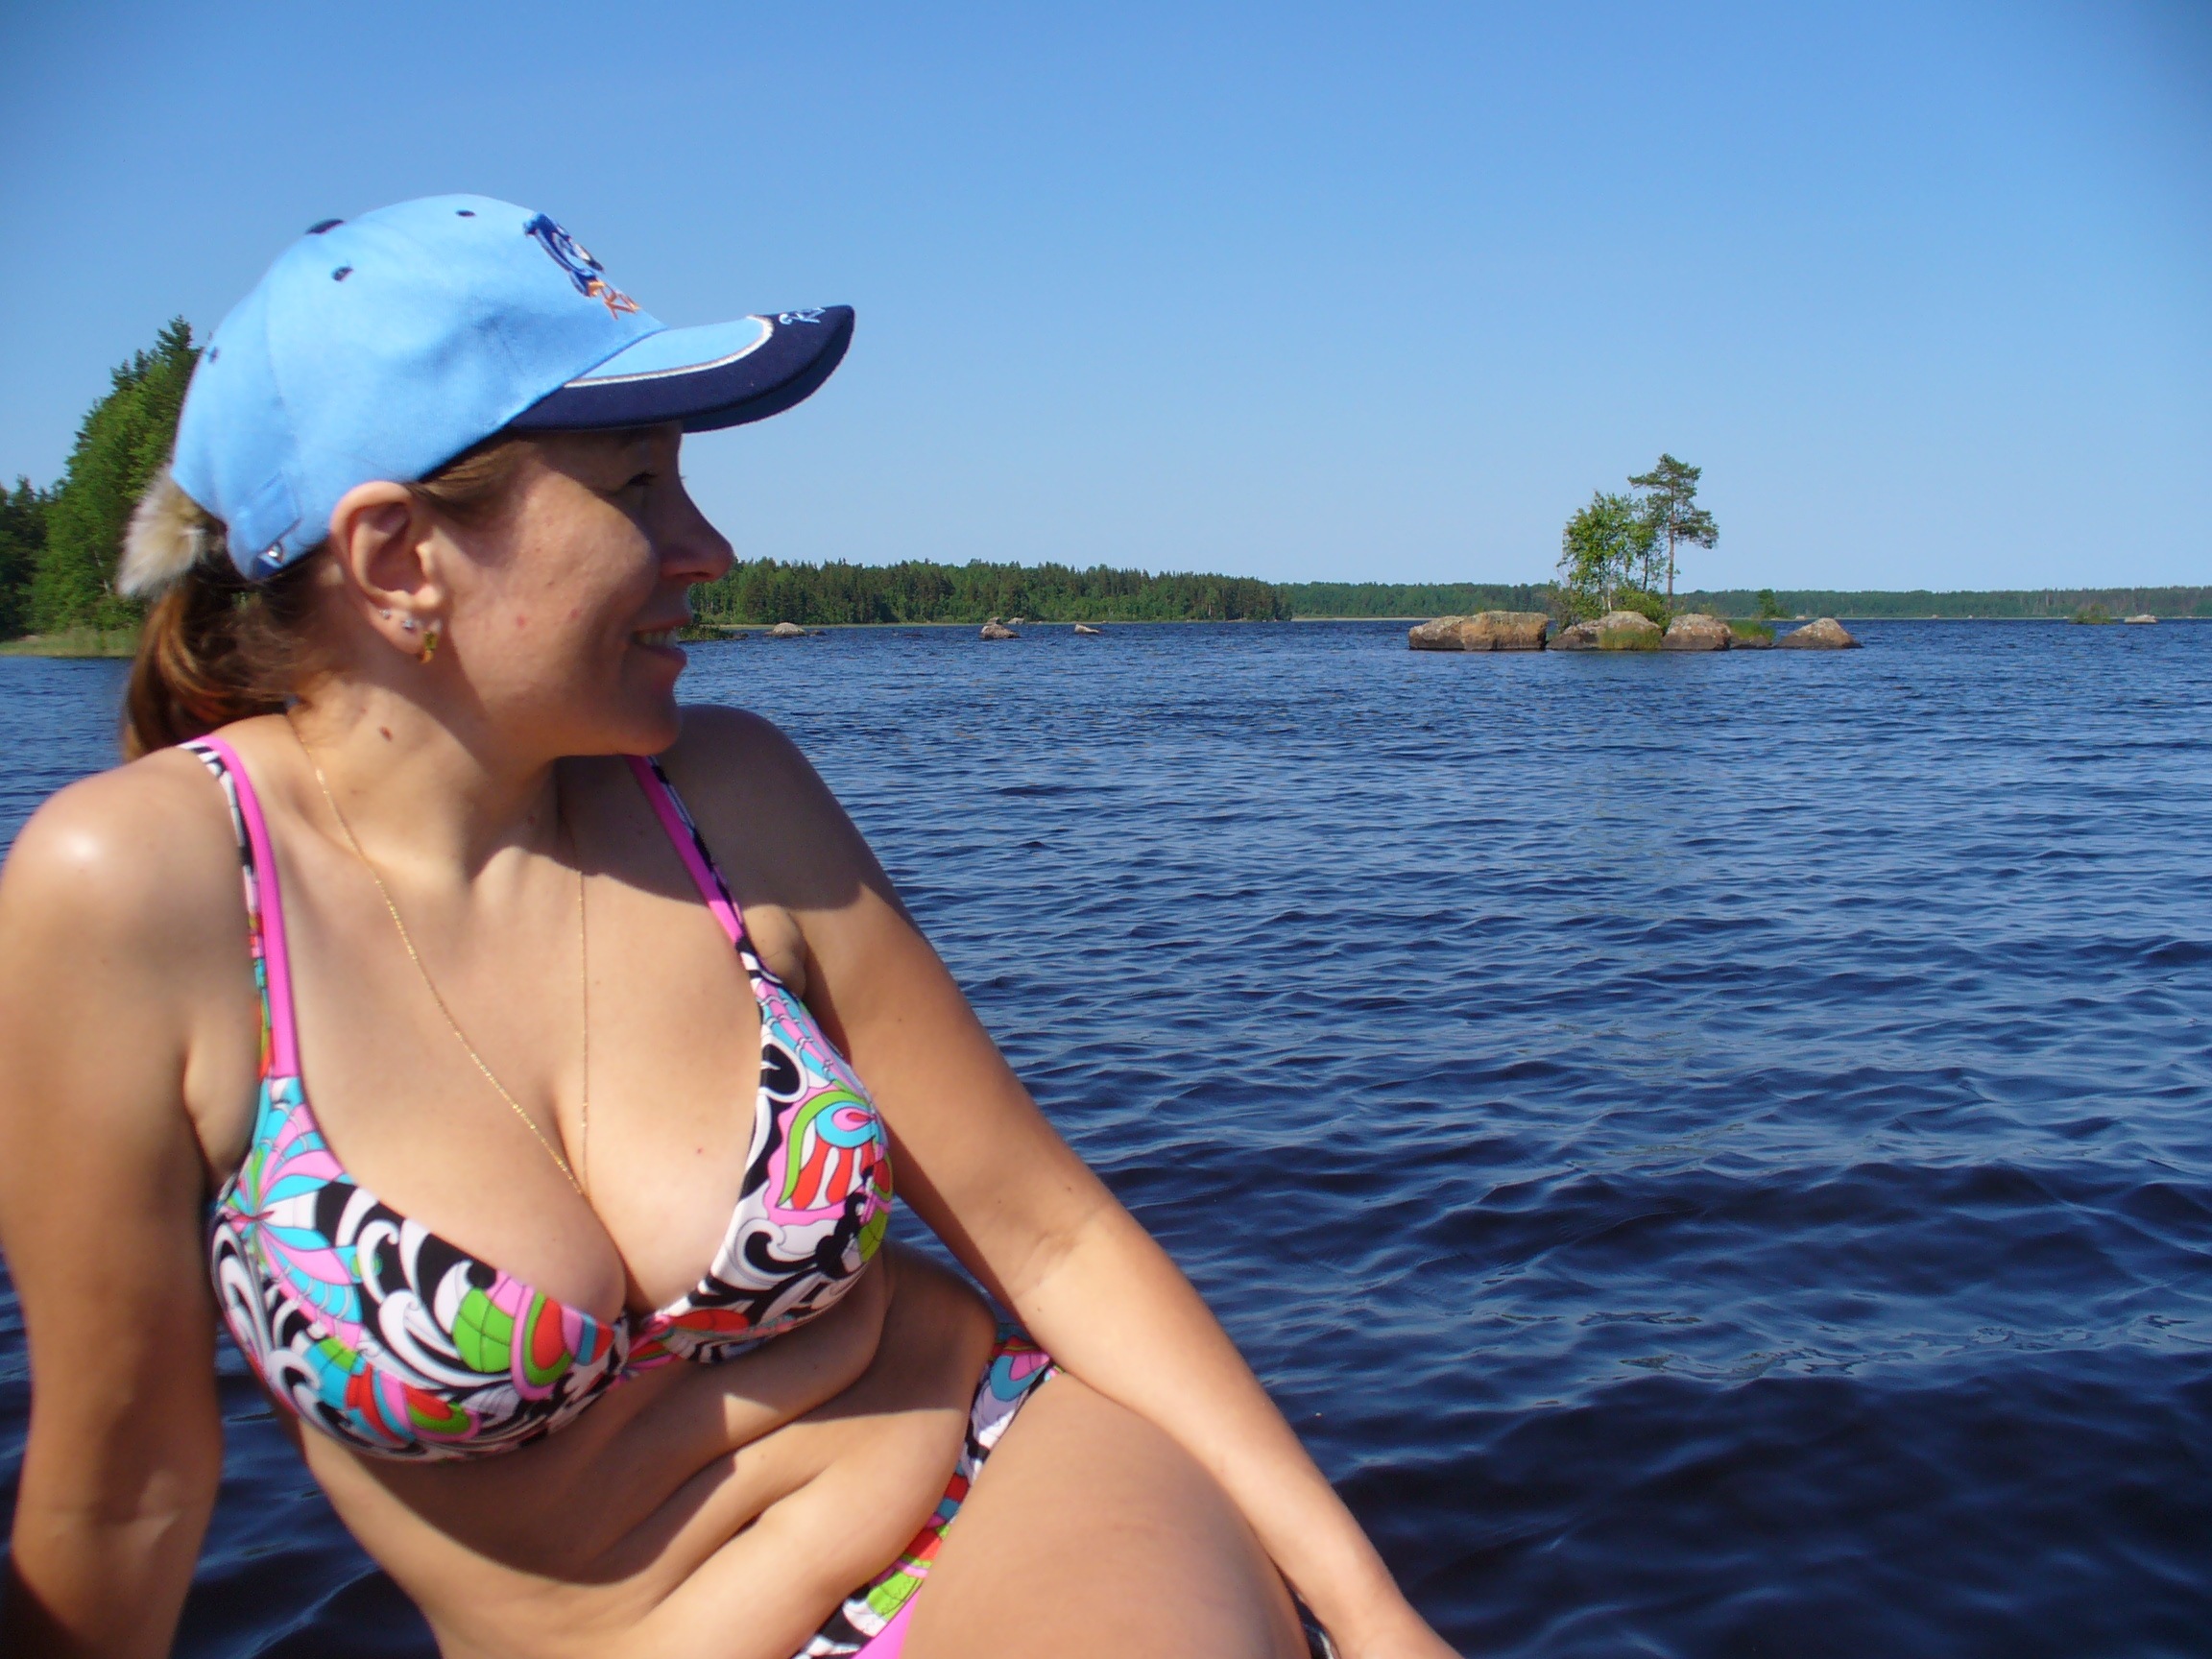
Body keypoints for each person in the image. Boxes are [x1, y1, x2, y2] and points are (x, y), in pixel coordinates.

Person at [0, 196, 1455, 1659]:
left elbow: (1049, 1233)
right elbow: (126, 1499)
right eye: (637, 485)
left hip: (1002, 1498)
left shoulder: (730, 797)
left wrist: (1376, 1618)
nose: (709, 545)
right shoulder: (139, 894)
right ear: (397, 558)